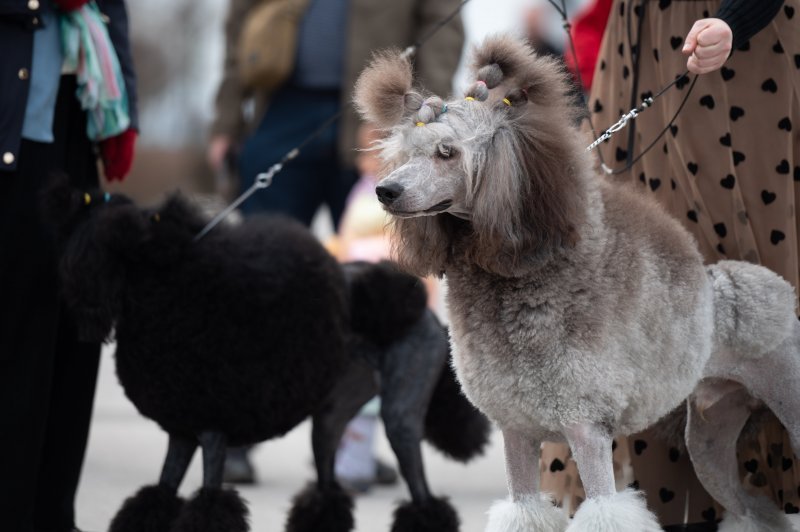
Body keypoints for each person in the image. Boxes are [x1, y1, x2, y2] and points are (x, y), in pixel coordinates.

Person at [541, 0, 799, 529]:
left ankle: (760, 487)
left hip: (744, 43)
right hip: (635, 42)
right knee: (628, 259)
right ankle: (651, 503)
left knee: (748, 254)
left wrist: (735, 20)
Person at [209, 0, 464, 484]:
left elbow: (441, 22)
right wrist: (225, 120)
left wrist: (421, 121)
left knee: (375, 287)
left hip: (379, 117)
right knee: (255, 283)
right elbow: (239, 19)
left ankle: (351, 444)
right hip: (279, 110)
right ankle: (232, 434)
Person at [0, 2, 138, 532]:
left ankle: (54, 516)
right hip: (14, 135)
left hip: (79, 124)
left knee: (74, 338)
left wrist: (128, 111)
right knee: (21, 340)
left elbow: (112, 12)